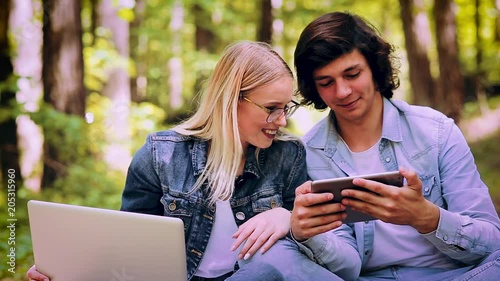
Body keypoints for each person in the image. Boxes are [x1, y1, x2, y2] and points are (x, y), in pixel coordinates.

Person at [27, 41, 354, 281]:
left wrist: (286, 218)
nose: (281, 120)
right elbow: (127, 252)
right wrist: (67, 271)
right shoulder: (161, 156)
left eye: (287, 107)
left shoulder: (288, 156)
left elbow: (305, 256)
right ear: (231, 99)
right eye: (271, 107)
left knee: (275, 263)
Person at [289, 11, 500, 281]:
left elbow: (491, 239)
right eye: (326, 83)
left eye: (352, 74)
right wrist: (307, 235)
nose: (342, 92)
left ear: (375, 69)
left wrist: (426, 217)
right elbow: (346, 268)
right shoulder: (308, 153)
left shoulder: (436, 131)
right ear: (314, 89)